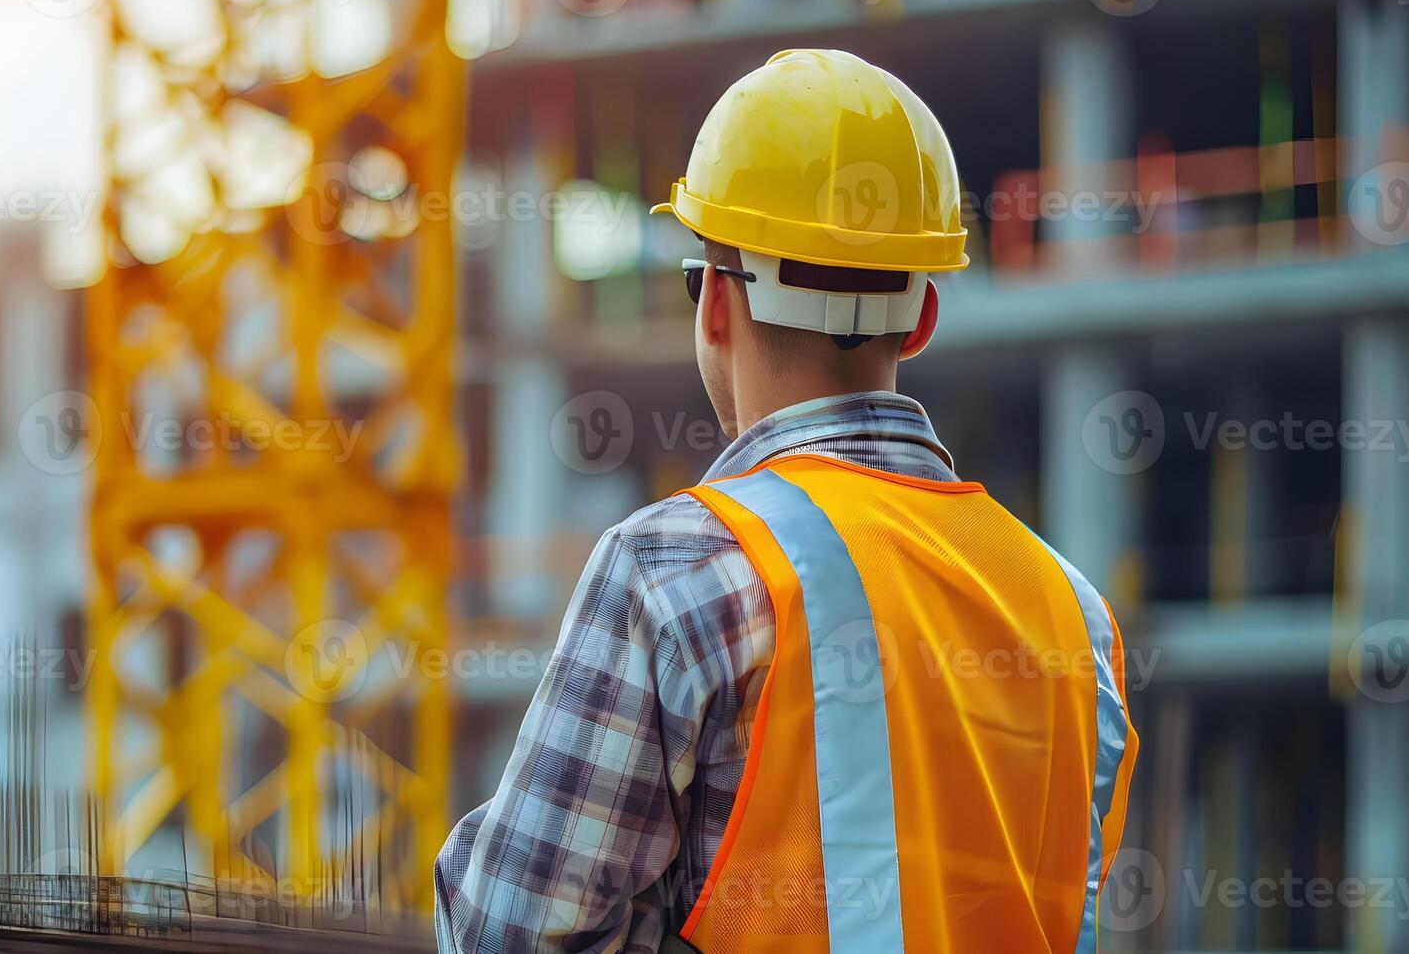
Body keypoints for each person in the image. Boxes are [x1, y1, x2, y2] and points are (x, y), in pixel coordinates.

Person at [435, 49, 1139, 954]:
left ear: (715, 305)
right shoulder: (1073, 616)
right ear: (921, 319)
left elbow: (510, 932)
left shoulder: (677, 568)